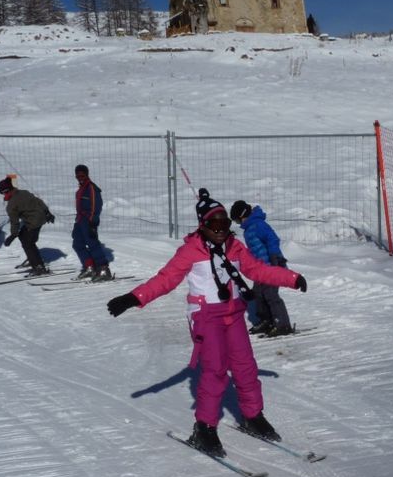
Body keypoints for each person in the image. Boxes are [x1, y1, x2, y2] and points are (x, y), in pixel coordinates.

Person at [106, 197, 308, 457]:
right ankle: (205, 428)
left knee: (245, 366)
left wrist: (291, 278)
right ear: (203, 225)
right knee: (215, 369)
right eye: (214, 224)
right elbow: (166, 279)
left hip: (233, 313)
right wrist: (133, 298)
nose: (220, 230)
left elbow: (258, 270)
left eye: (225, 224)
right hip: (205, 316)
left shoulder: (235, 247)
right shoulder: (191, 250)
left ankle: (253, 415)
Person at [230, 199, 295, 337]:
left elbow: (273, 239)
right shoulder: (249, 228)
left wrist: (274, 257)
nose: (238, 223)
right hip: (259, 269)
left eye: (237, 220)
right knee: (258, 294)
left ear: (242, 216)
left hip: (272, 265)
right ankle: (266, 320)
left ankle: (282, 324)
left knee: (271, 295)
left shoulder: (258, 224)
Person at [0, 177, 55, 277]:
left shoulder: (11, 205)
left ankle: (38, 267)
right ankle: (34, 259)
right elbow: (38, 201)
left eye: (3, 193)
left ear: (6, 192)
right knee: (25, 237)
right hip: (42, 217)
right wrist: (47, 213)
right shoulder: (24, 192)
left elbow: (14, 222)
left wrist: (12, 236)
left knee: (28, 243)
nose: (3, 196)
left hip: (33, 221)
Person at [72, 164, 111, 281]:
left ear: (87, 174)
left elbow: (96, 205)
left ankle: (103, 269)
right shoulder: (81, 189)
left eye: (82, 175)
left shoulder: (91, 188)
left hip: (88, 220)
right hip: (80, 220)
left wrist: (92, 222)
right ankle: (90, 267)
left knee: (92, 243)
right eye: (78, 175)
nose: (80, 177)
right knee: (77, 244)